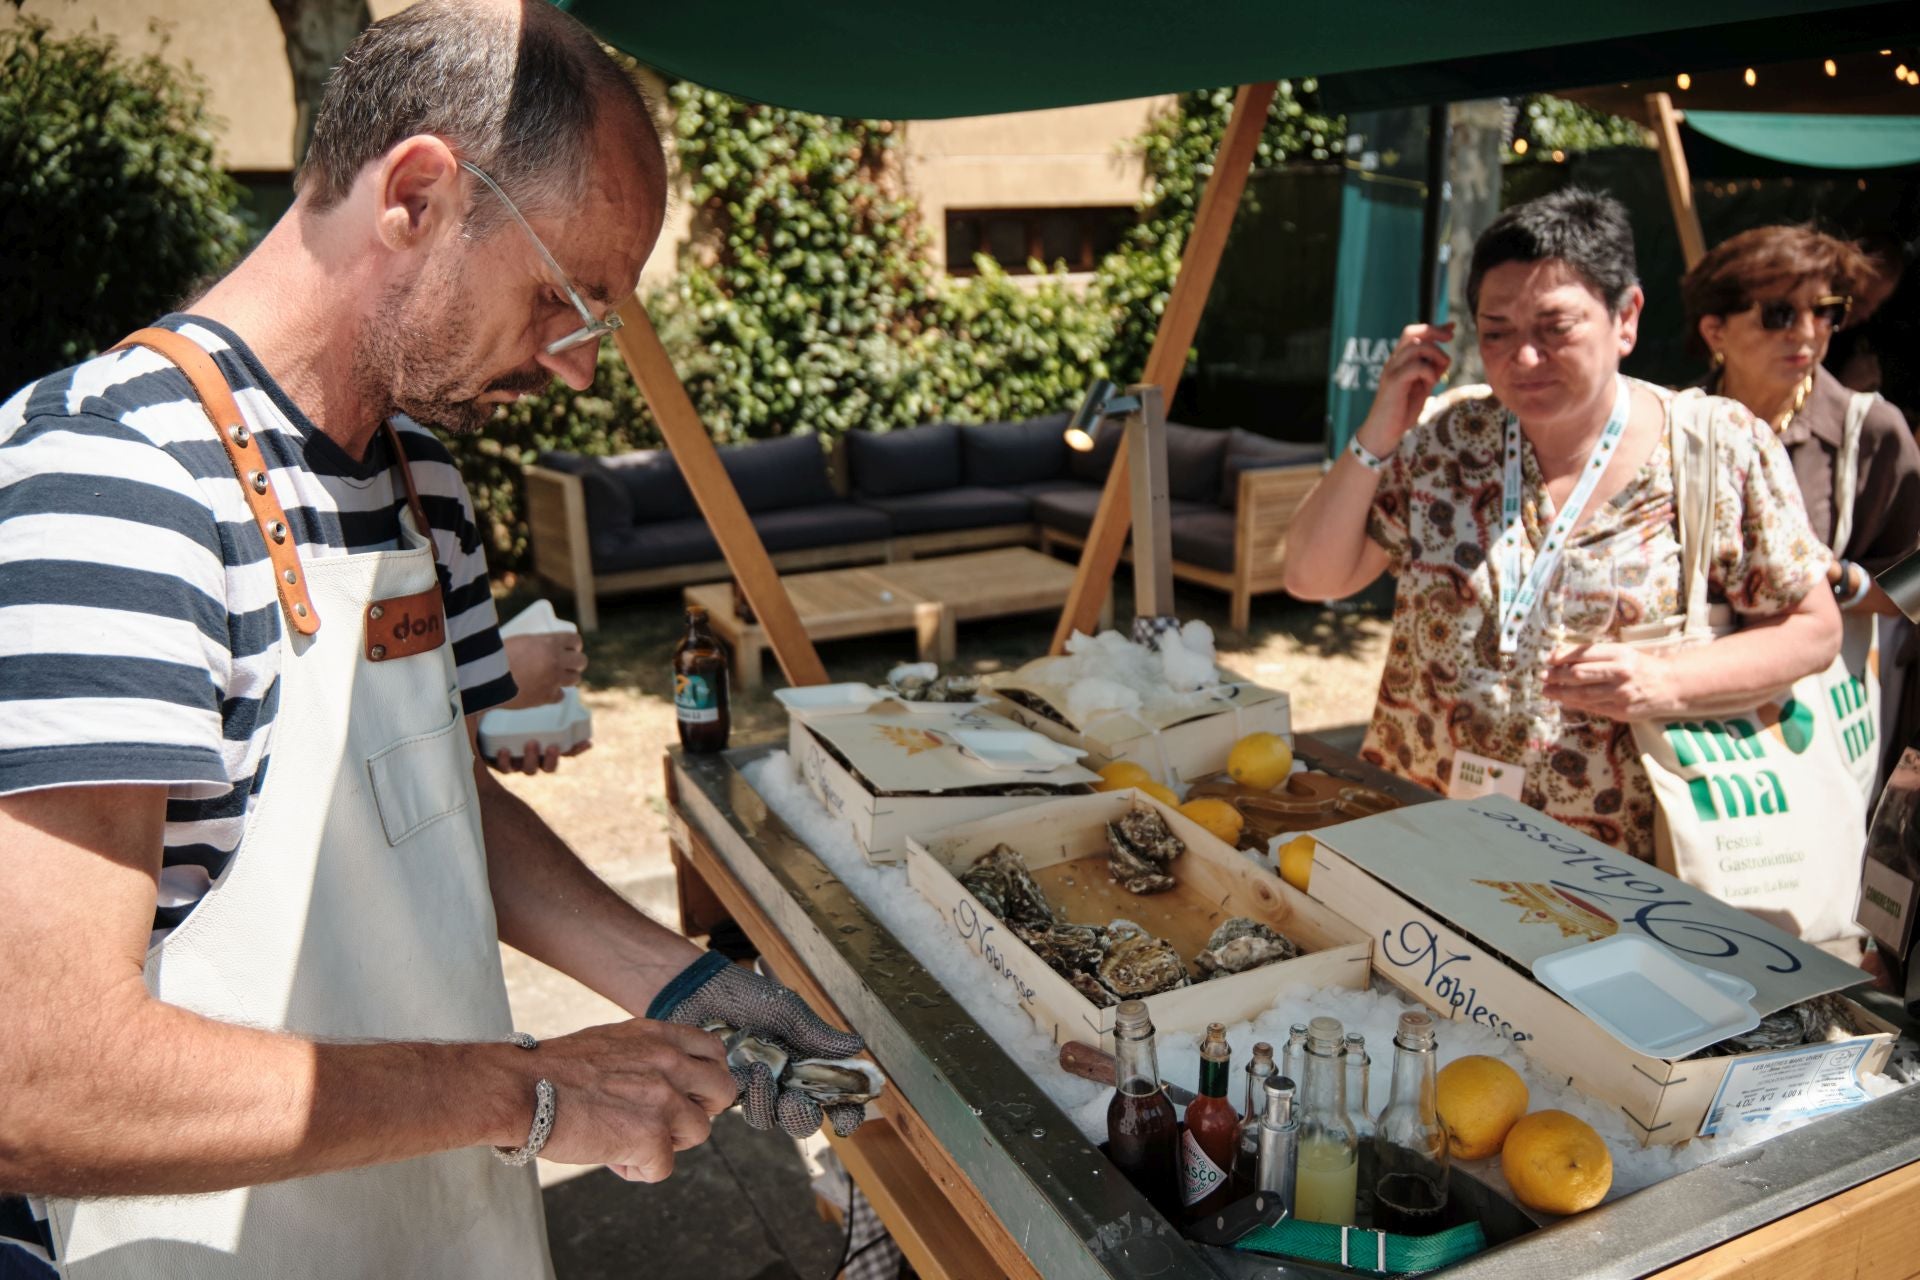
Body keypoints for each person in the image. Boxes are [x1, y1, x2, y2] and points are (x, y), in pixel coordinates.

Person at [0, 5, 861, 1278]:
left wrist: (679, 983)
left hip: (429, 1218)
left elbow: (424, 806)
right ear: (414, 194)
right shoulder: (105, 483)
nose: (577, 369)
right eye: (569, 298)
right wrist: (529, 1093)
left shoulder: (423, 486)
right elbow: (37, 1078)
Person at [1283, 188, 1841, 861]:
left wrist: (1666, 681)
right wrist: (1379, 430)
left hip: (1613, 873)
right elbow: (1312, 576)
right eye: (1497, 332)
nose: (1523, 359)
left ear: (1625, 316)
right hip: (1422, 832)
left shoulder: (1715, 447)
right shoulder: (1448, 441)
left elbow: (1814, 630)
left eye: (1555, 329)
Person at [1683, 225, 1920, 788]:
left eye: (1827, 312)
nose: (1809, 333)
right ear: (1715, 329)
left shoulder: (1870, 431)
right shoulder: (1675, 424)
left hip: (1811, 724)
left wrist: (1828, 579)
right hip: (1686, 718)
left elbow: (1916, 586)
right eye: (1780, 314)